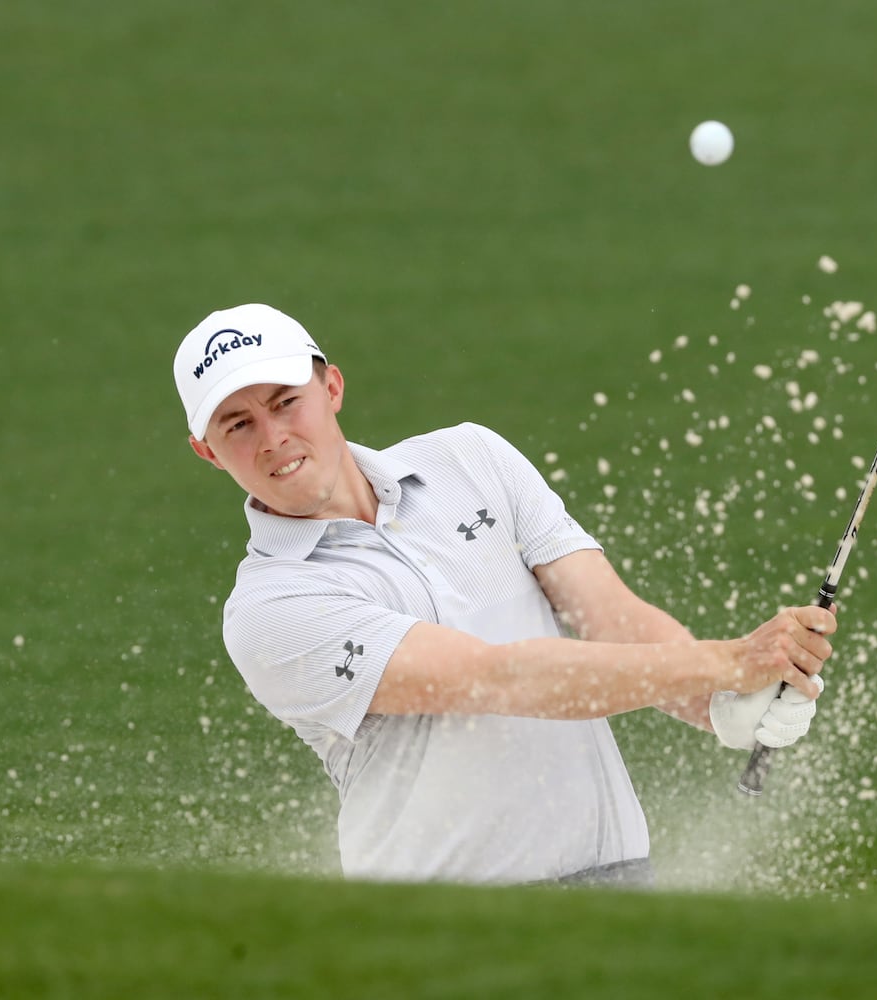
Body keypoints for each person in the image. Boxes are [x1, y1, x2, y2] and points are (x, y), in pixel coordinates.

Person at [172, 303, 835, 887]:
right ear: (206, 452)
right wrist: (728, 663)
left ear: (332, 385)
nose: (274, 437)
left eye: (286, 402)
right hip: (443, 922)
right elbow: (497, 679)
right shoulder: (271, 611)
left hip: (616, 879)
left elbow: (610, 617)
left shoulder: (470, 459)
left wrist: (721, 706)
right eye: (238, 424)